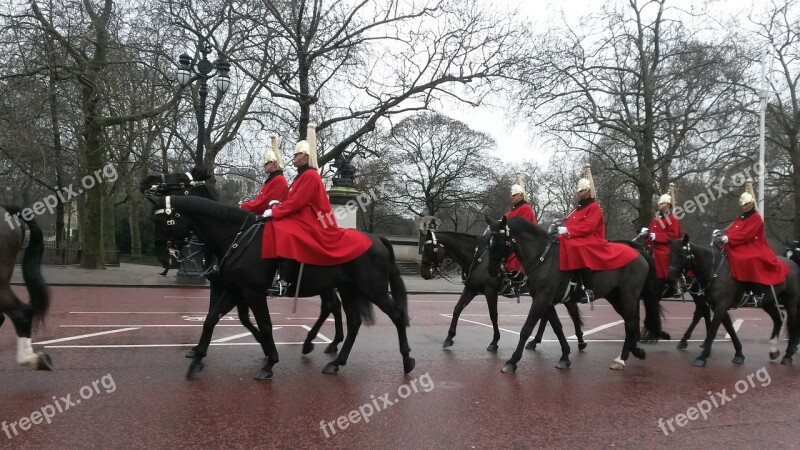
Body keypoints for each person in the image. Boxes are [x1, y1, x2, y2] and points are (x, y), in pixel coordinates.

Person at [261, 123, 372, 293]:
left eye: (297, 154)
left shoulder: (311, 176)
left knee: (287, 232)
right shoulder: (302, 175)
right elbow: (292, 200)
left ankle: (284, 282)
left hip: (318, 219)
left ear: (305, 157)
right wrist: (278, 205)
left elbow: (298, 202)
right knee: (276, 225)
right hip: (306, 215)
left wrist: (275, 211)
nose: (294, 157)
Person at [557, 166, 639, 303]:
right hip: (577, 236)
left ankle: (589, 289)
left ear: (588, 191)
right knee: (558, 241)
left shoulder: (593, 207)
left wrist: (568, 231)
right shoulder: (577, 208)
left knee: (577, 247)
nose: (579, 193)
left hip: (590, 239)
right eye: (578, 191)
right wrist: (561, 227)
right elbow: (571, 223)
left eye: (582, 191)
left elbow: (588, 226)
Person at [718, 185, 789, 294]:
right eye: (742, 205)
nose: (744, 207)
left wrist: (729, 238)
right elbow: (733, 230)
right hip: (738, 244)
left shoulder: (756, 218)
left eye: (746, 204)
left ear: (751, 204)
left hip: (754, 245)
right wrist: (722, 234)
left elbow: (747, 234)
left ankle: (752, 290)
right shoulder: (740, 218)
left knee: (747, 259)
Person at [501, 175, 538, 298]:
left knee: (513, 253)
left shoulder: (525, 208)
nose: (512, 198)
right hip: (512, 238)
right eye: (511, 196)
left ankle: (515, 284)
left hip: (523, 240)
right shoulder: (512, 210)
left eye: (514, 195)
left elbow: (522, 226)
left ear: (521, 195)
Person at [642, 187, 682, 298]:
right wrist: (646, 232)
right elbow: (651, 231)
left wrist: (656, 237)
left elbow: (673, 236)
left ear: (668, 205)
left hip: (666, 247)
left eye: (662, 204)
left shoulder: (673, 219)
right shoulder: (656, 219)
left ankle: (672, 284)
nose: (659, 205)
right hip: (652, 246)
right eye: (659, 204)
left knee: (662, 256)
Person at [239, 135, 288, 215]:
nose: (264, 166)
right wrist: (249, 203)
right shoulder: (272, 179)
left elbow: (265, 203)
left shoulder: (279, 180)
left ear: (274, 164)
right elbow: (260, 200)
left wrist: (245, 206)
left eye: (267, 163)